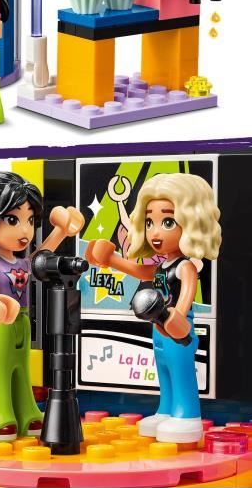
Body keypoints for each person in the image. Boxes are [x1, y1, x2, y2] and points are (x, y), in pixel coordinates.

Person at [85, 172, 221, 443]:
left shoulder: (185, 266)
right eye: (150, 222)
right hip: (159, 330)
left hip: (178, 332)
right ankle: (166, 410)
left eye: (167, 222)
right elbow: (139, 270)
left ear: (191, 224)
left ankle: (187, 415)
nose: (155, 232)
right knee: (165, 372)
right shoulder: (161, 266)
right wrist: (111, 259)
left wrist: (177, 319)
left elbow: (186, 296)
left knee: (181, 373)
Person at [0, 169, 84, 442]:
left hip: (23, 321)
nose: (25, 230)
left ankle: (25, 411)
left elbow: (42, 254)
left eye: (30, 220)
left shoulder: (22, 263)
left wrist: (62, 231)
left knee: (21, 370)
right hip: (0, 326)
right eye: (13, 219)